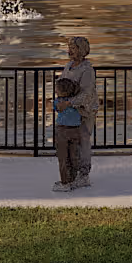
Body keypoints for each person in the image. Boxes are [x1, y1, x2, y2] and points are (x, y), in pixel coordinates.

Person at [57, 35, 97, 187]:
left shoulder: (87, 70)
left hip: (83, 112)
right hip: (68, 113)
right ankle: (71, 174)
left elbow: (86, 94)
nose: (70, 51)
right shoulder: (68, 66)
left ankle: (83, 174)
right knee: (70, 145)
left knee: (83, 142)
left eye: (73, 48)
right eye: (69, 48)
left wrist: (69, 102)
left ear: (82, 50)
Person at [51, 77, 87, 191]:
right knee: (74, 155)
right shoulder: (76, 103)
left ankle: (65, 182)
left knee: (63, 157)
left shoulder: (59, 101)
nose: (55, 91)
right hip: (75, 130)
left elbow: (57, 109)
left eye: (56, 89)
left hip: (62, 131)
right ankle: (73, 179)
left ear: (62, 91)